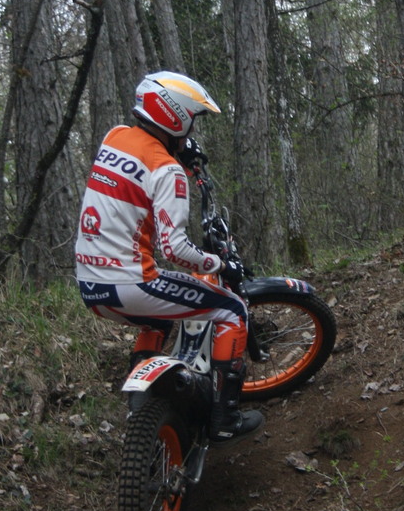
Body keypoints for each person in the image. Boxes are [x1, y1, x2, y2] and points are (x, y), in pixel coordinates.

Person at [75, 71, 264, 442]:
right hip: (131, 284)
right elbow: (174, 249)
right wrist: (220, 263)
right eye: (192, 120)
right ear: (176, 117)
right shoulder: (167, 171)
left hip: (90, 286)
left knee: (158, 318)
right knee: (233, 310)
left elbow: (136, 167)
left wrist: (178, 150)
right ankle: (225, 419)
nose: (192, 129)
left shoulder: (114, 137)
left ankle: (143, 401)